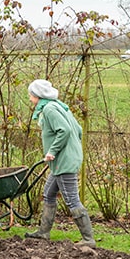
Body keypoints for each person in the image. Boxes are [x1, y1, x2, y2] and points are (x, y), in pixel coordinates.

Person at [24, 79, 96, 247]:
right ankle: (43, 232)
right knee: (48, 193)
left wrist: (53, 151)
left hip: (63, 161)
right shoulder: (58, 105)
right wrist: (73, 149)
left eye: (30, 95)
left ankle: (88, 239)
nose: (29, 98)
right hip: (65, 159)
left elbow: (65, 130)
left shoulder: (49, 109)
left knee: (72, 199)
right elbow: (77, 129)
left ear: (37, 95)